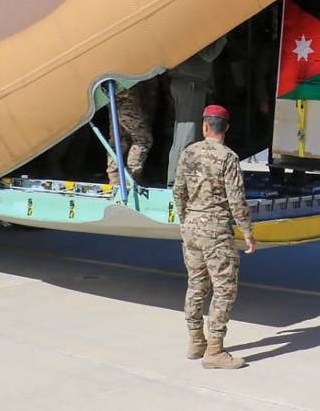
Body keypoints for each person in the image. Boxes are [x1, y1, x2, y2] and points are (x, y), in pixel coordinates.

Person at [173, 104, 257, 370]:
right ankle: (215, 351)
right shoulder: (228, 157)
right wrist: (247, 232)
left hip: (192, 228)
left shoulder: (188, 153)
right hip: (217, 230)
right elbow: (236, 199)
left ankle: (196, 340)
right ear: (226, 128)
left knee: (196, 284)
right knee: (224, 289)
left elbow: (178, 191)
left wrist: (186, 218)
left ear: (205, 126)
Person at [167, 36, 228, 186]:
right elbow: (209, 54)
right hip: (190, 84)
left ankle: (177, 179)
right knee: (187, 135)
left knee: (184, 134)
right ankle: (177, 181)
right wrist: (223, 33)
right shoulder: (195, 28)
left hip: (188, 82)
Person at [104, 80, 155, 187]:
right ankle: (130, 179)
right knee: (142, 140)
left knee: (118, 140)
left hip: (111, 95)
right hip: (126, 96)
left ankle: (114, 180)